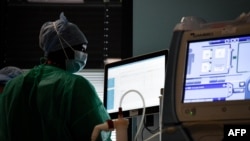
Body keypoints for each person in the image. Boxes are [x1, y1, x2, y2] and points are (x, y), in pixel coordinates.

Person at [0, 12, 111, 141]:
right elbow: (99, 133)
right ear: (65, 47)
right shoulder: (75, 86)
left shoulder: (13, 86)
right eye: (82, 49)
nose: (84, 54)